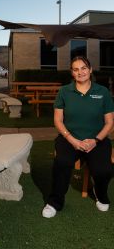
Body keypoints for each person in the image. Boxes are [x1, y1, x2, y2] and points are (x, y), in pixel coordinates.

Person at [42, 56, 114, 218]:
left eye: (83, 68)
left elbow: (109, 123)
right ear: (72, 73)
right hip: (69, 138)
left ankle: (100, 194)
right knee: (62, 163)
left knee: (104, 170)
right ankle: (55, 202)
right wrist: (72, 140)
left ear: (90, 70)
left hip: (97, 139)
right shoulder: (64, 91)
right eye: (76, 69)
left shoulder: (102, 92)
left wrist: (95, 141)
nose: (80, 72)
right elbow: (58, 120)